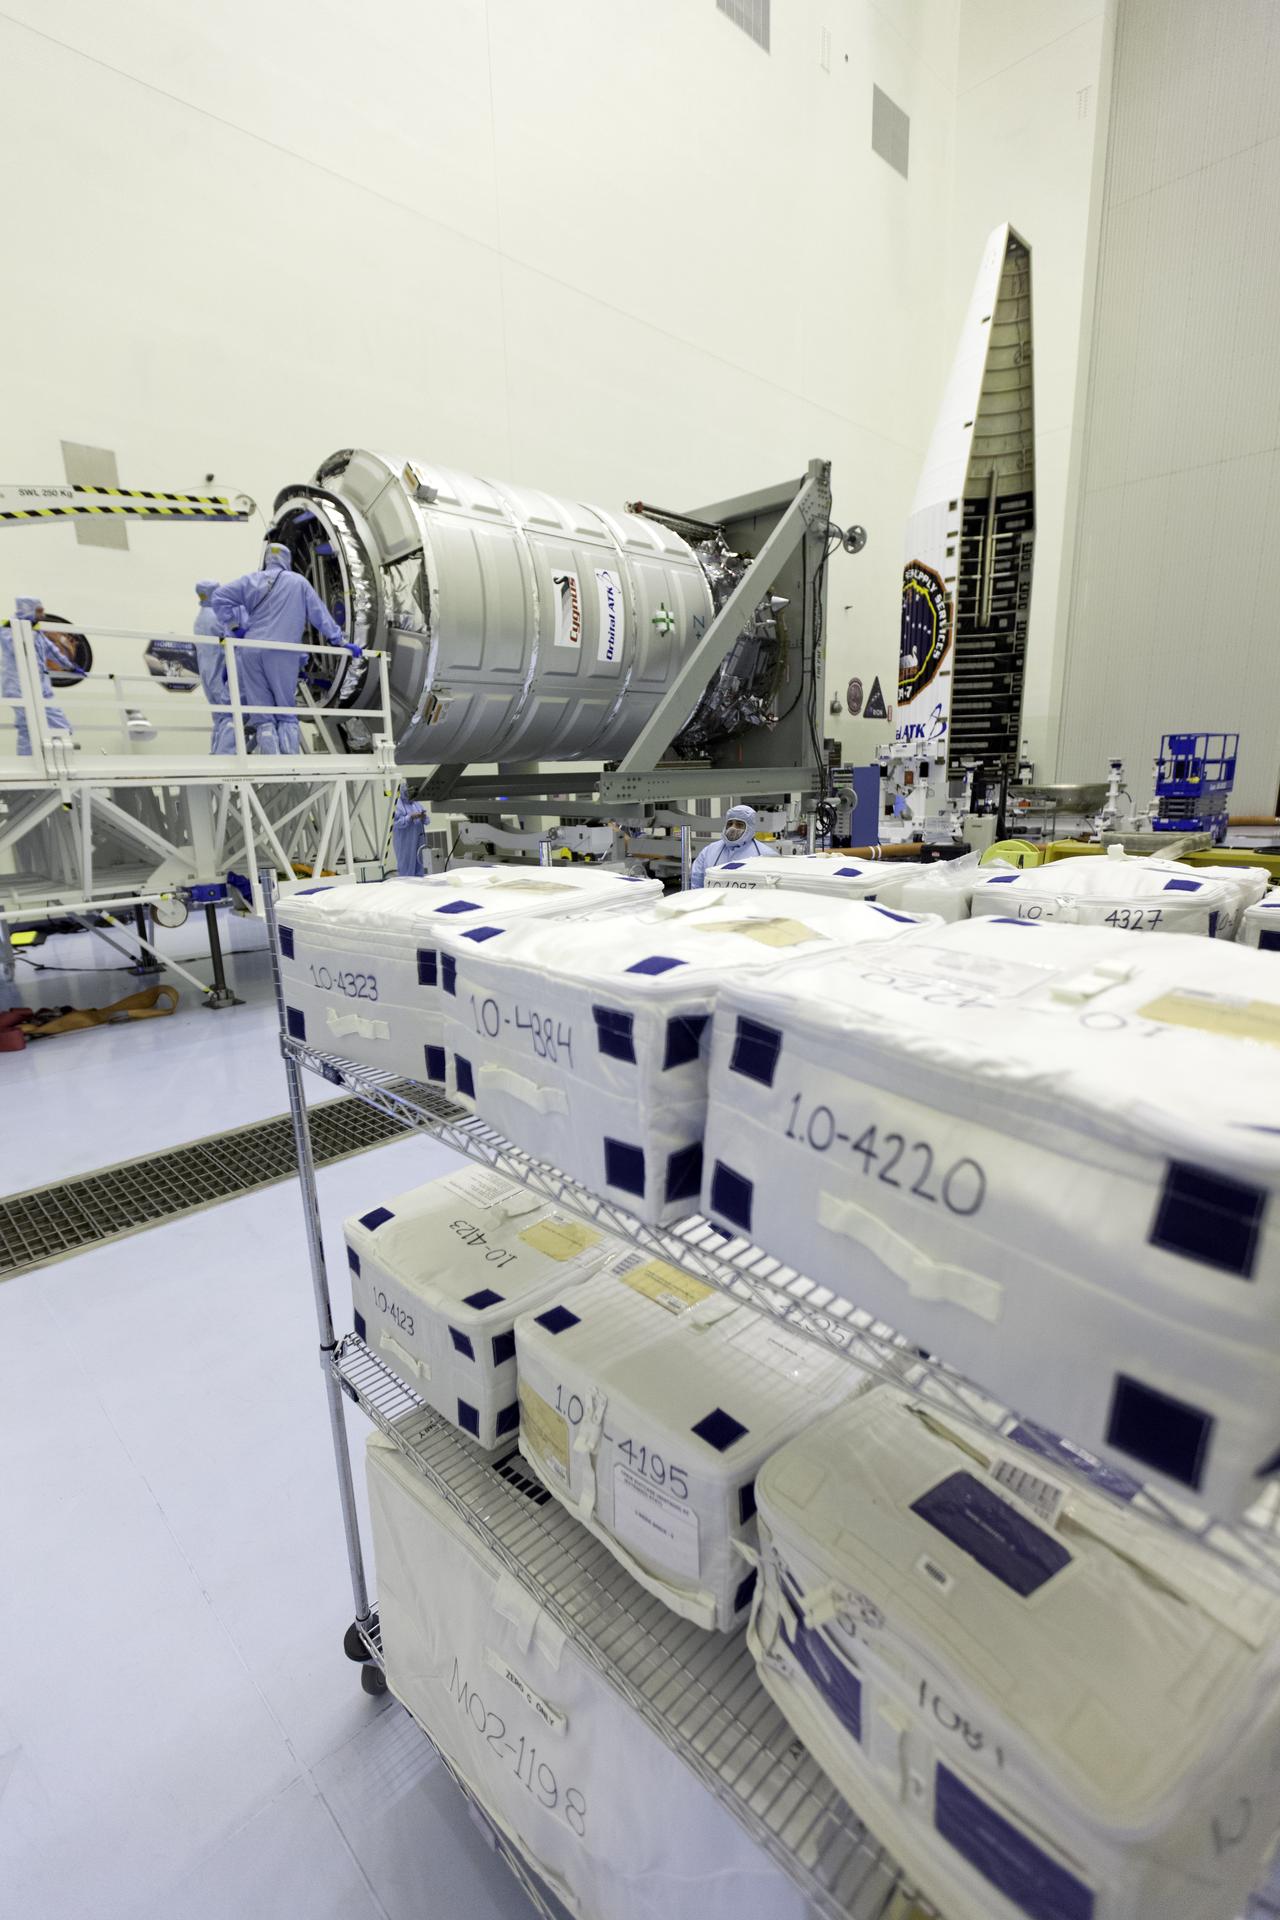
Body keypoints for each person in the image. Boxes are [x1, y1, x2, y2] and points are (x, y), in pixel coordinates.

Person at [210, 545, 352, 754]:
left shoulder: (252, 580)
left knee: (262, 714)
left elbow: (218, 597)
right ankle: (288, 764)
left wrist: (234, 627)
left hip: (251, 650)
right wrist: (339, 641)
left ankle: (270, 760)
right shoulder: (298, 583)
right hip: (281, 652)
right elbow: (319, 614)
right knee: (285, 712)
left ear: (267, 559)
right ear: (288, 559)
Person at [1, 597, 74, 756]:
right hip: (19, 688)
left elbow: (52, 650)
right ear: (27, 609)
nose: (43, 615)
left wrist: (71, 667)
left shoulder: (36, 631)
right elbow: (19, 648)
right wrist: (32, 631)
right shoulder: (8, 628)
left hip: (40, 687)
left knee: (59, 725)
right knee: (28, 726)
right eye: (39, 611)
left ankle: (55, 758)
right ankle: (27, 762)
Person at [192, 579, 238, 754]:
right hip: (219, 672)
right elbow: (232, 637)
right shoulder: (215, 616)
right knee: (229, 716)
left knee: (220, 717)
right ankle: (225, 756)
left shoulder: (201, 617)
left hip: (208, 673)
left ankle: (216, 753)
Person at [688, 803, 778, 888]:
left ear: (750, 828)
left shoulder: (766, 854)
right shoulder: (709, 851)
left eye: (739, 824)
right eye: (730, 824)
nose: (733, 828)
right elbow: (696, 884)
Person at [391, 781, 430, 876]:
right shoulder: (397, 805)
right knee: (406, 865)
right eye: (409, 791)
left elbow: (427, 821)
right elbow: (396, 823)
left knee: (419, 863)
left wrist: (423, 817)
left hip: (419, 841)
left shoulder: (416, 804)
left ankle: (419, 882)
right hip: (405, 843)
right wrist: (410, 817)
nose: (412, 793)